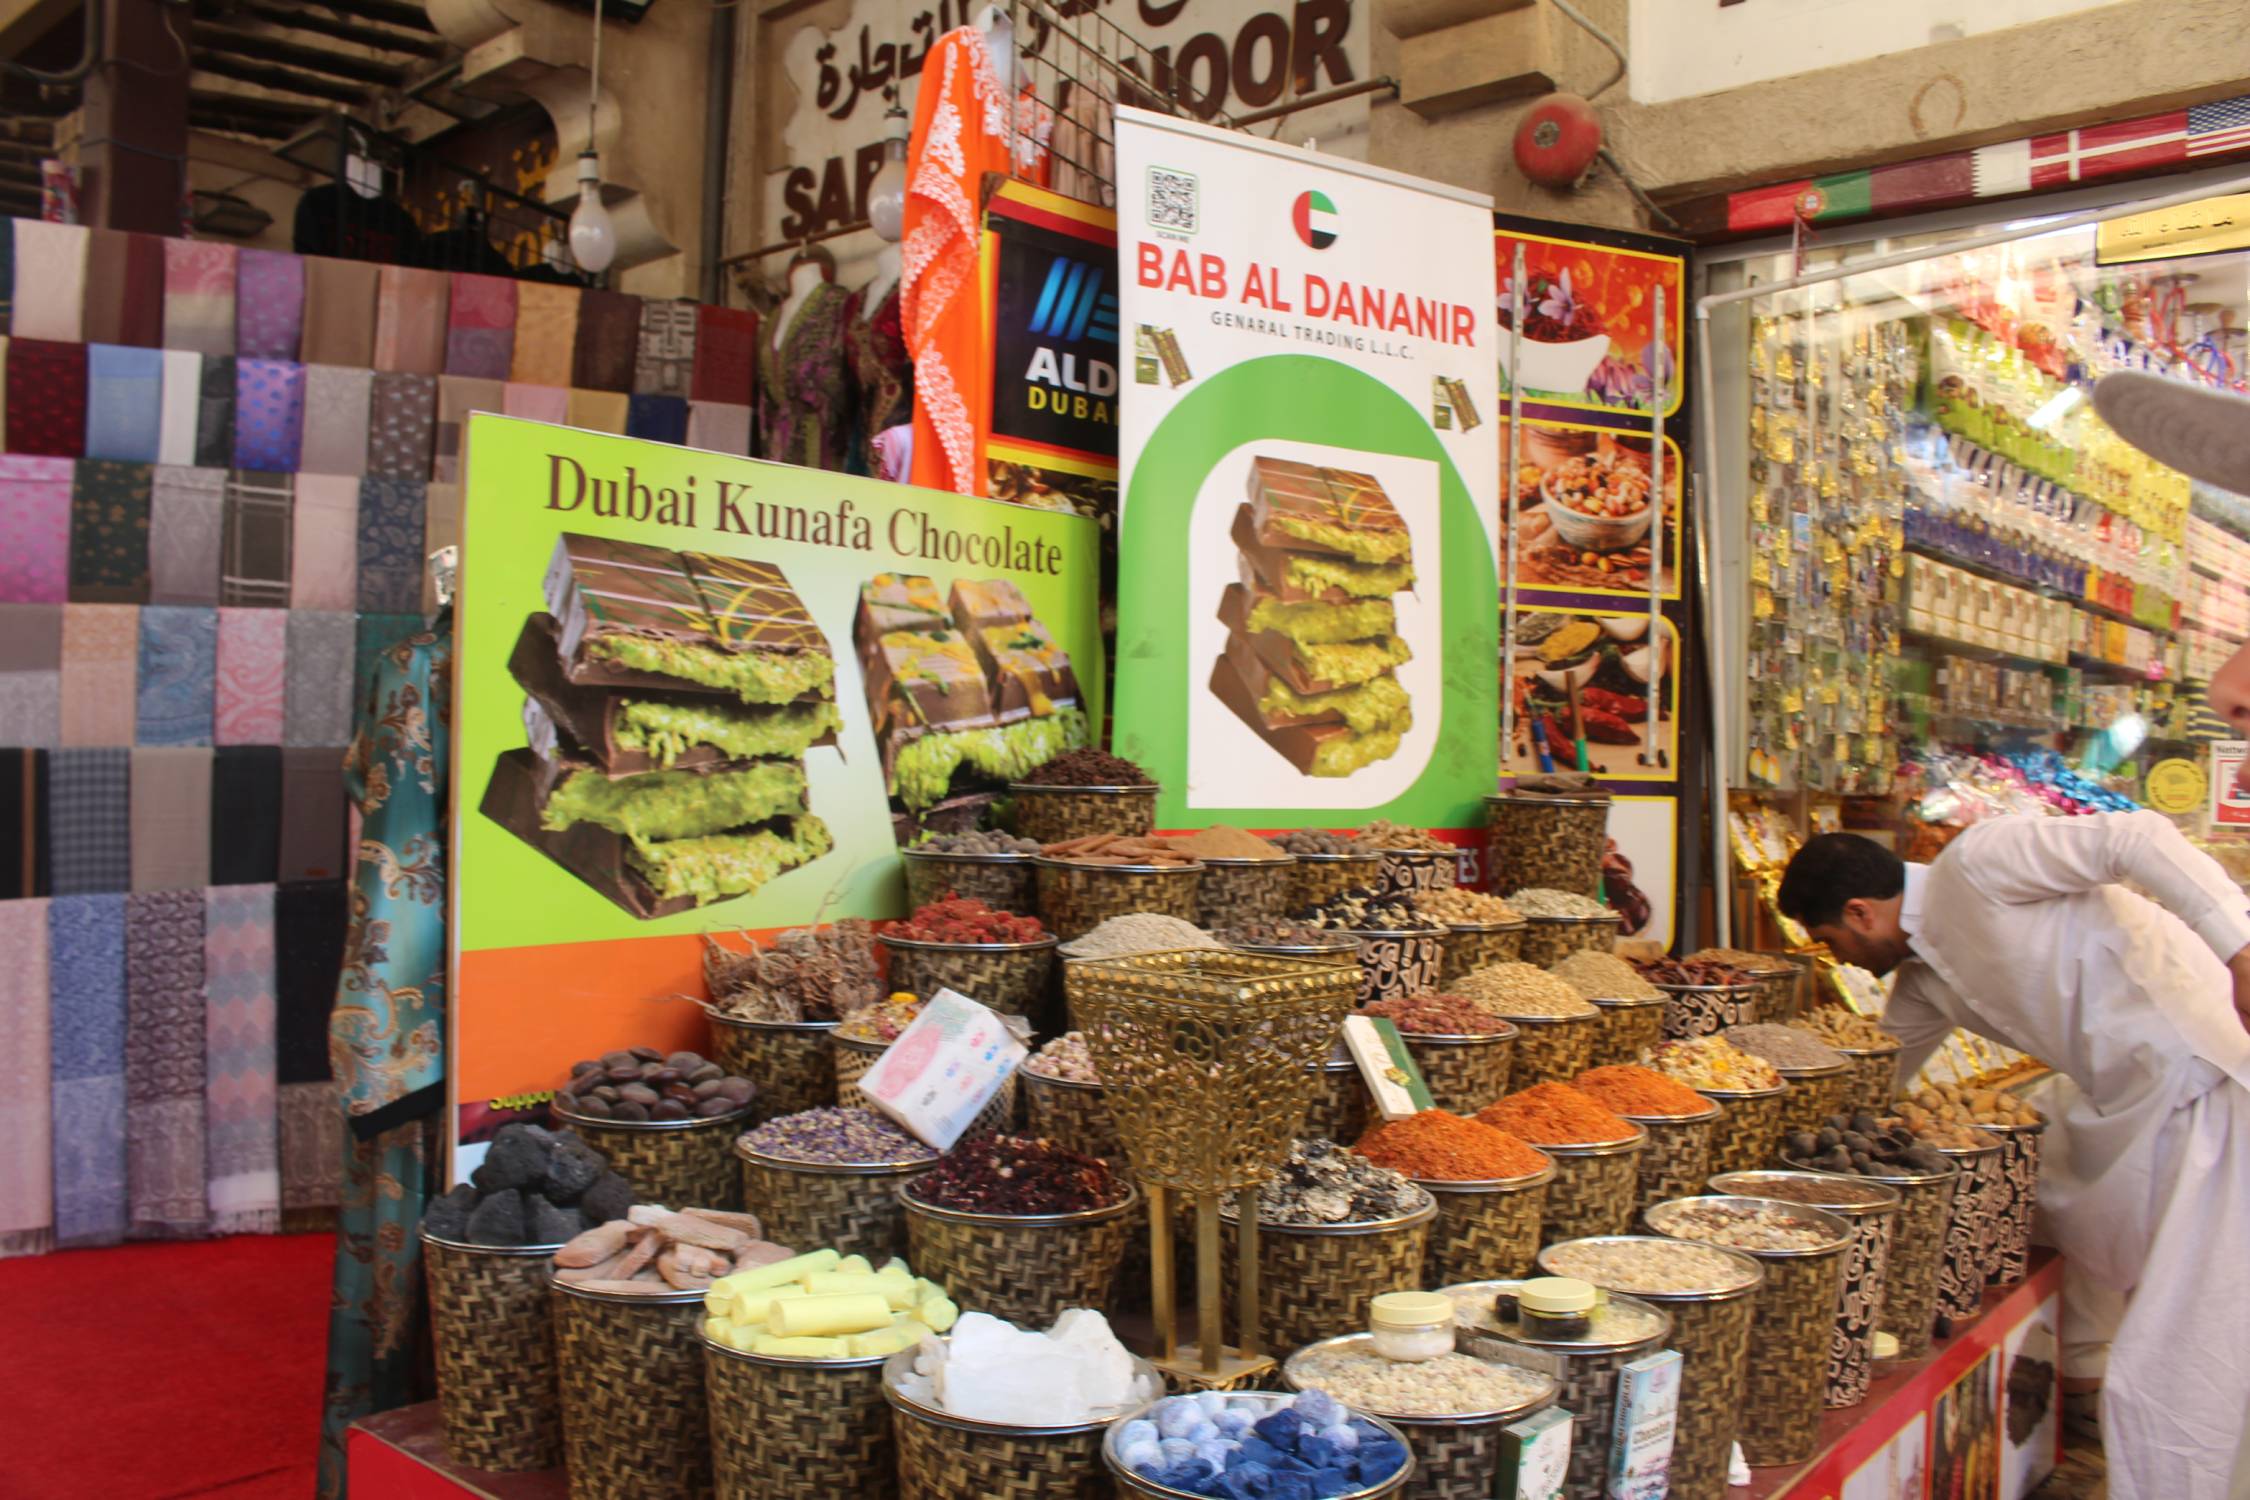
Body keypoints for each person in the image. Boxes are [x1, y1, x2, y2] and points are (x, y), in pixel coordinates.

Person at [1776, 821, 2250, 1500]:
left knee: (2174, 1358)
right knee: (2035, 1181)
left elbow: (2138, 838)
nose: (1843, 961)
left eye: (1832, 942)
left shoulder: (1979, 863)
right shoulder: (1921, 982)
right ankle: (2080, 1369)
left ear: (1861, 913)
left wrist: (2239, 950)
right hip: (2125, 1099)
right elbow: (1877, 1087)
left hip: (2204, 1075)